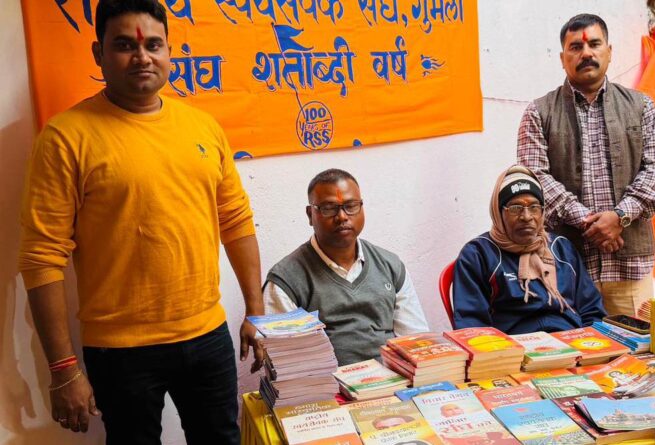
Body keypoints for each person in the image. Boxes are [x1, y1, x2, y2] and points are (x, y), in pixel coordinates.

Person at [17, 1, 263, 442]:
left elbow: (236, 220)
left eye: (153, 45)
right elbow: (41, 258)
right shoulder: (65, 138)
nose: (142, 57)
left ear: (169, 51)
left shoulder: (202, 127)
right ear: (99, 53)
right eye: (125, 46)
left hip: (206, 334)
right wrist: (63, 369)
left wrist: (256, 313)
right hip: (120, 351)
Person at [516, 13, 655, 317]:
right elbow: (535, 177)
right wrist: (591, 222)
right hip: (565, 268)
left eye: (594, 44)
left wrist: (620, 217)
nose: (586, 53)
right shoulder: (539, 112)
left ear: (609, 52)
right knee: (572, 345)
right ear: (563, 58)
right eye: (575, 47)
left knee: (638, 345)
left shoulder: (641, 106)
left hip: (629, 266)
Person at [264, 169, 429, 365]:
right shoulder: (286, 281)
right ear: (310, 215)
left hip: (392, 377)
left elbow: (416, 343)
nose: (342, 216)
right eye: (329, 208)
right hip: (327, 381)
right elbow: (290, 364)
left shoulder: (390, 266)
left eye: (351, 206)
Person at [452, 166, 606, 335]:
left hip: (571, 342)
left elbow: (592, 311)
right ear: (498, 212)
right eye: (515, 208)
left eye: (534, 207)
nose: (526, 217)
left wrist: (589, 344)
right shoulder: (478, 254)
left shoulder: (561, 248)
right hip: (512, 347)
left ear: (543, 211)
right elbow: (472, 326)